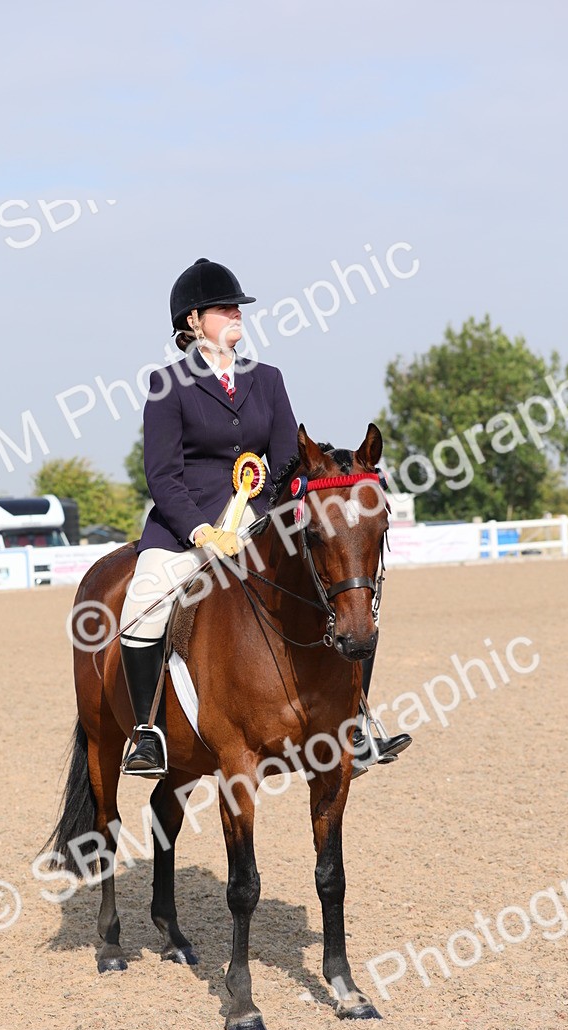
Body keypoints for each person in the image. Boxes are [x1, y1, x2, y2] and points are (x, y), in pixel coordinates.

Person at [119, 257, 410, 778]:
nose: (237, 313)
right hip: (187, 530)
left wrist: (282, 502)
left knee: (350, 601)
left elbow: (287, 463)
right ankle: (147, 733)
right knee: (142, 607)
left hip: (257, 523)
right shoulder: (167, 385)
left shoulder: (267, 379)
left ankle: (356, 721)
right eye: (224, 308)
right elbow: (162, 475)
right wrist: (201, 529)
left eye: (238, 307)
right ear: (192, 321)